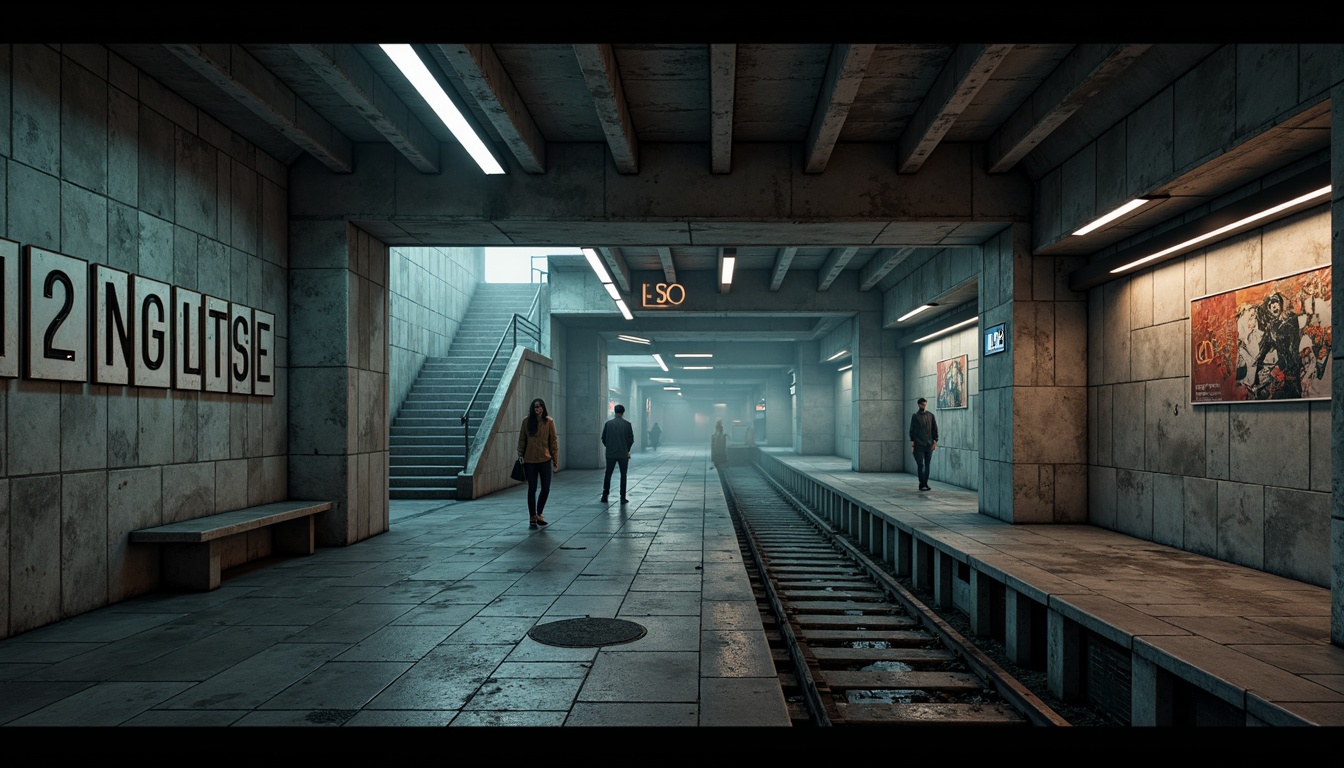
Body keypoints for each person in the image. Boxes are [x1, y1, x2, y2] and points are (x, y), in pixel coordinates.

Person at [517, 398, 559, 529]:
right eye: (536, 407)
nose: (538, 409)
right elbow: (522, 439)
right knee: (532, 488)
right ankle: (532, 516)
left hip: (545, 459)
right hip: (530, 460)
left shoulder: (549, 422)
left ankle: (540, 513)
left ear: (543, 408)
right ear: (532, 409)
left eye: (540, 407)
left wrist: (555, 461)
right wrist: (520, 454)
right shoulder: (526, 422)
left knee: (546, 488)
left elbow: (553, 442)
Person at [601, 404, 635, 503]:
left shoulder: (608, 424)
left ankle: (605, 495)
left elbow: (604, 438)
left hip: (610, 454)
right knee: (623, 475)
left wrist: (609, 447)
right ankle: (622, 497)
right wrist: (626, 449)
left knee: (608, 474)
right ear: (623, 412)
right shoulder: (627, 424)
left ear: (615, 412)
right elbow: (631, 439)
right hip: (623, 454)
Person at [909, 397, 938, 492]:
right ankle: (921, 484)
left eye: (925, 404)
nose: (924, 406)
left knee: (927, 464)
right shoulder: (915, 416)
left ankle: (925, 483)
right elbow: (912, 430)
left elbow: (935, 429)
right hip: (918, 445)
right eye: (922, 404)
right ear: (919, 405)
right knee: (920, 464)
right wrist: (912, 443)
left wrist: (935, 441)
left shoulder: (931, 415)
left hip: (929, 445)